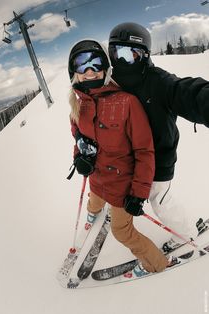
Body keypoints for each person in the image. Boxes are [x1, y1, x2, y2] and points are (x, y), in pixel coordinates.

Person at [67, 38, 173, 275]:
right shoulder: (77, 105)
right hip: (96, 180)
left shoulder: (126, 102)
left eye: (95, 63)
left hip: (121, 187)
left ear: (105, 67)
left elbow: (144, 151)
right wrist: (79, 157)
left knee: (121, 231)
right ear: (73, 71)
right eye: (81, 65)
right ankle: (93, 215)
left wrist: (138, 194)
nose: (89, 70)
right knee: (93, 202)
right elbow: (78, 138)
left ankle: (157, 263)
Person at [108, 22, 209, 252]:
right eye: (116, 53)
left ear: (143, 55)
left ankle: (186, 235)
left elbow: (187, 92)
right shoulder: (114, 83)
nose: (122, 61)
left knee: (160, 201)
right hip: (131, 159)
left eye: (129, 54)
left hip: (159, 157)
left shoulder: (159, 82)